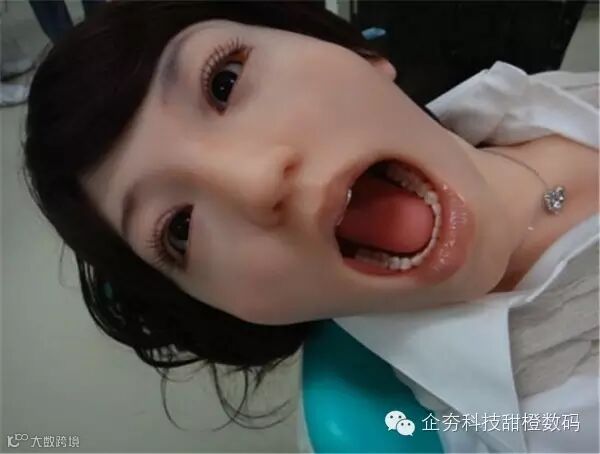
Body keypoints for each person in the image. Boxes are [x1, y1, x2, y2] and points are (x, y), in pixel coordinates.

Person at [21, 1, 598, 450]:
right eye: (180, 229)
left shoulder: (532, 97)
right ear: (229, 312)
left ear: (356, 53)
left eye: (224, 83)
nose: (256, 182)